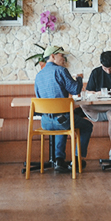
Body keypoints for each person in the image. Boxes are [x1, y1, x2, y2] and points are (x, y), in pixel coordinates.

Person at [34, 45, 92, 173]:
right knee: (86, 125)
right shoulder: (61, 71)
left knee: (63, 122)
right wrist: (79, 78)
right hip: (62, 120)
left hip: (45, 122)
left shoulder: (38, 75)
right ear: (53, 56)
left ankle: (59, 160)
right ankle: (77, 160)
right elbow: (75, 90)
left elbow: (39, 97)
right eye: (62, 55)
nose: (64, 59)